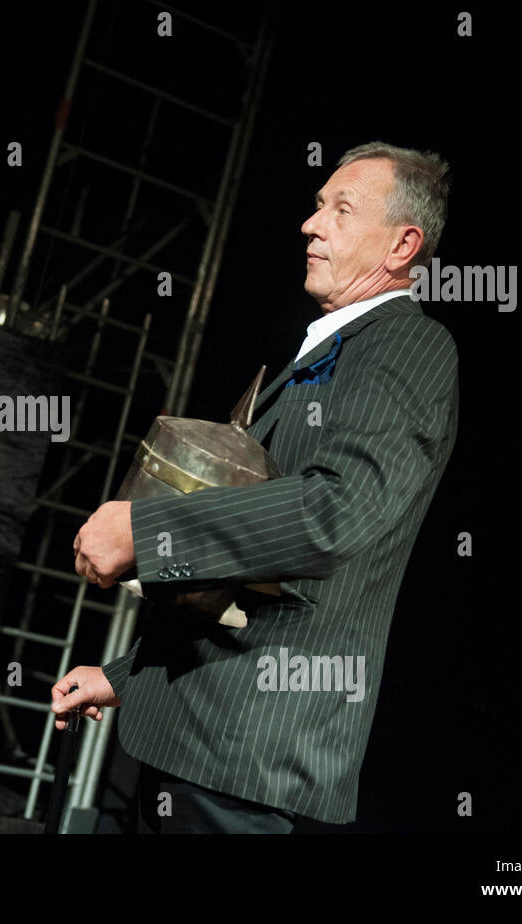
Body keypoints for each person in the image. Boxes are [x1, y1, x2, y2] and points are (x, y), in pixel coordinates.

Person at [53, 142, 458, 833]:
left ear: (403, 245)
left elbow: (337, 511)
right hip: (196, 736)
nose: (311, 223)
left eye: (340, 208)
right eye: (316, 204)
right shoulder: (321, 349)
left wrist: (147, 535)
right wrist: (127, 676)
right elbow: (250, 585)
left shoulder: (407, 348)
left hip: (246, 758)